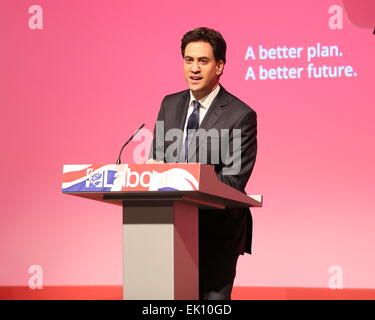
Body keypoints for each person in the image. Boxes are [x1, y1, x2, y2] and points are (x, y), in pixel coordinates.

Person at [148, 27, 257, 300]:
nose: (194, 69)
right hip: (171, 228)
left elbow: (233, 182)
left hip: (217, 232)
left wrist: (183, 178)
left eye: (203, 61)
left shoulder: (240, 115)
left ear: (219, 66)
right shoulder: (169, 104)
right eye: (188, 60)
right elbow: (159, 159)